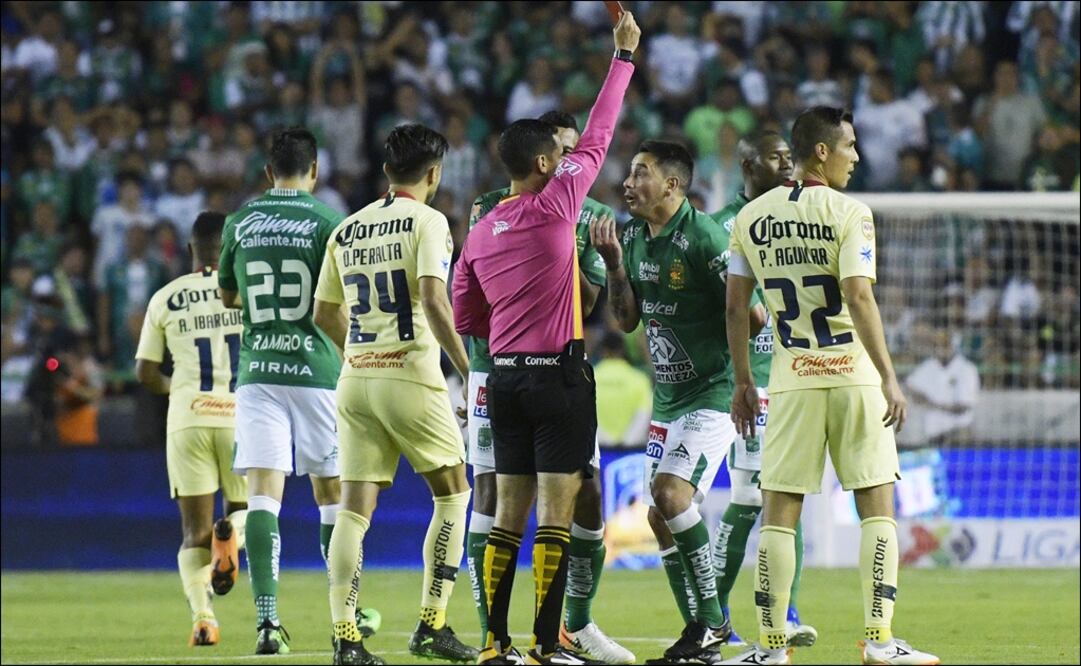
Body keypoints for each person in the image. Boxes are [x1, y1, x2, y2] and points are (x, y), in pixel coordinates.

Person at [452, 11, 640, 665]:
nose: (568, 163)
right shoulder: (556, 203)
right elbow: (599, 134)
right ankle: (545, 645)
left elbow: (463, 314)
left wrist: (506, 328)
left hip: (502, 377)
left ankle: (491, 643)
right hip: (558, 377)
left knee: (507, 516)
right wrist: (622, 58)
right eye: (556, 158)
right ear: (540, 162)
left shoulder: (478, 229)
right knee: (554, 519)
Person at [722, 106, 940, 665]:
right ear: (821, 151)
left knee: (778, 512)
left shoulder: (751, 217)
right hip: (851, 375)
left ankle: (771, 648)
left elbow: (734, 306)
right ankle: (878, 641)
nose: (857, 156)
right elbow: (859, 295)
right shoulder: (850, 212)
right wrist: (890, 376)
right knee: (877, 507)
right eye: (849, 145)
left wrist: (743, 382)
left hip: (790, 380)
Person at [312, 124, 478, 666]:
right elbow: (433, 298)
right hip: (409, 373)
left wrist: (358, 357)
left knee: (352, 511)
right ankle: (432, 623)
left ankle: (345, 637)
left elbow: (323, 314)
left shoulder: (348, 228)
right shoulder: (429, 222)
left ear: (386, 172)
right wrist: (468, 368)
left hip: (355, 379)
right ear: (435, 174)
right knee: (453, 492)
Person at [591, 139, 756, 664]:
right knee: (660, 519)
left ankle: (713, 621)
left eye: (641, 173)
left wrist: (742, 382)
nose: (628, 182)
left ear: (672, 184)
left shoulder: (706, 239)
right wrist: (615, 266)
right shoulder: (633, 234)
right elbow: (626, 320)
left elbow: (747, 317)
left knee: (670, 494)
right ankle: (699, 632)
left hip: (710, 392)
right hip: (667, 399)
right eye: (630, 172)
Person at [217, 127, 378, 655]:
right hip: (317, 373)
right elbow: (343, 300)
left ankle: (267, 624)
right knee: (332, 496)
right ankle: (346, 619)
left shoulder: (240, 222)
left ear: (268, 172)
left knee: (263, 494)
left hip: (259, 372)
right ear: (315, 172)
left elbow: (227, 295)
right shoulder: (330, 223)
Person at [708, 131, 817, 648]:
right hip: (749, 380)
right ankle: (713, 610)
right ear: (749, 163)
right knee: (753, 497)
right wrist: (739, 378)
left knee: (786, 492)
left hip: (793, 375)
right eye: (778, 158)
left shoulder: (793, 217)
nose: (788, 166)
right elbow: (720, 309)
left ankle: (787, 613)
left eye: (791, 158)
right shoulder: (723, 227)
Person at [134, 212, 248, 647]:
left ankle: (204, 620)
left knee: (192, 533)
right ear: (229, 249)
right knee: (248, 505)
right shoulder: (246, 295)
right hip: (240, 416)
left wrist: (175, 388)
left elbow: (144, 372)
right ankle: (232, 535)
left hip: (188, 417)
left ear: (190, 250)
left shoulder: (166, 296)